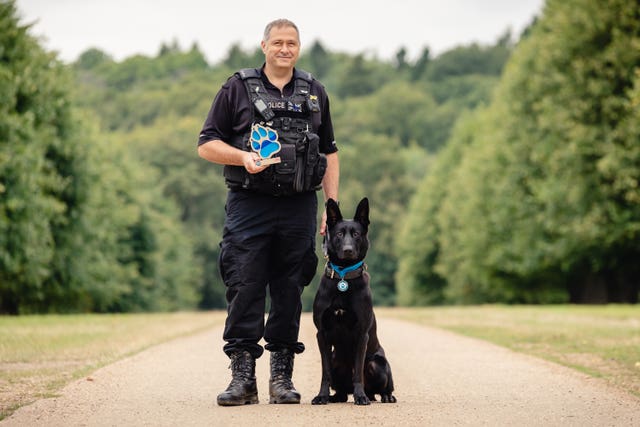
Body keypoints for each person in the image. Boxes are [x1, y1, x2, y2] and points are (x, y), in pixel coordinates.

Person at [197, 18, 339, 406]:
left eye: (291, 43)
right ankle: (243, 378)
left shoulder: (314, 92)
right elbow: (207, 144)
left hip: (298, 207)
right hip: (249, 203)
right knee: (244, 284)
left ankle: (282, 378)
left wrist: (331, 206)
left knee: (290, 287)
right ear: (264, 46)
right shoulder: (237, 87)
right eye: (277, 42)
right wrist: (243, 157)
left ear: (299, 47)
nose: (284, 49)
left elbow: (329, 152)